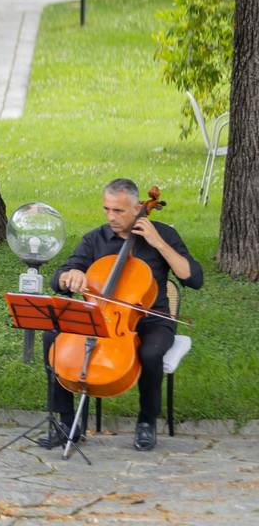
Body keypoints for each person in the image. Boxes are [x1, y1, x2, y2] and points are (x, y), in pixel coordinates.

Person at [40, 178, 203, 451]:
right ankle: (68, 423)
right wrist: (71, 275)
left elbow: (194, 278)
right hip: (105, 318)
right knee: (52, 336)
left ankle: (146, 422)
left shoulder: (162, 235)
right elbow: (59, 278)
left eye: (118, 211)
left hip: (152, 319)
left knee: (151, 354)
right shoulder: (96, 239)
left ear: (138, 207)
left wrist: (159, 244)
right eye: (107, 209)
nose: (111, 217)